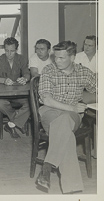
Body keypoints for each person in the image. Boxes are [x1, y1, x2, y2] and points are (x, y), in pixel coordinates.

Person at [37, 41, 96, 194]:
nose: (57, 61)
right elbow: (47, 100)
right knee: (66, 133)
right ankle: (73, 190)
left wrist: (88, 99)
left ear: (73, 57)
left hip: (72, 116)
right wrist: (73, 107)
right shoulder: (49, 70)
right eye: (56, 57)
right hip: (50, 112)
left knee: (63, 124)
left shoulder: (83, 72)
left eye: (62, 58)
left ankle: (46, 167)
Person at [0, 37, 31, 138]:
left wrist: (25, 78)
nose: (9, 54)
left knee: (31, 103)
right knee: (0, 105)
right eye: (7, 50)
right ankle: (19, 121)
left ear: (16, 50)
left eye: (12, 51)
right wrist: (4, 80)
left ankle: (11, 124)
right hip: (3, 94)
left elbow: (27, 73)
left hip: (18, 93)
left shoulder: (22, 59)